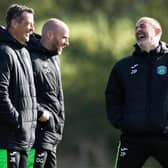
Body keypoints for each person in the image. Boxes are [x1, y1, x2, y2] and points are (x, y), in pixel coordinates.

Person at [105, 16, 168, 168]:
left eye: (142, 26)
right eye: (136, 28)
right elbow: (112, 97)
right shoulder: (123, 66)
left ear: (157, 31)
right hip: (133, 138)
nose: (138, 30)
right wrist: (121, 121)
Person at [27, 18, 69, 168]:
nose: (67, 43)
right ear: (50, 35)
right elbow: (19, 91)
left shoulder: (54, 58)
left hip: (51, 137)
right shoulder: (28, 56)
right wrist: (41, 113)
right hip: (36, 136)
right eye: (64, 37)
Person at [0, 4, 37, 168]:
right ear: (14, 23)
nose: (32, 29)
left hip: (26, 142)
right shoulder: (3, 52)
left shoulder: (25, 52)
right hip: (7, 141)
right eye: (29, 24)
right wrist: (18, 121)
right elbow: (1, 94)